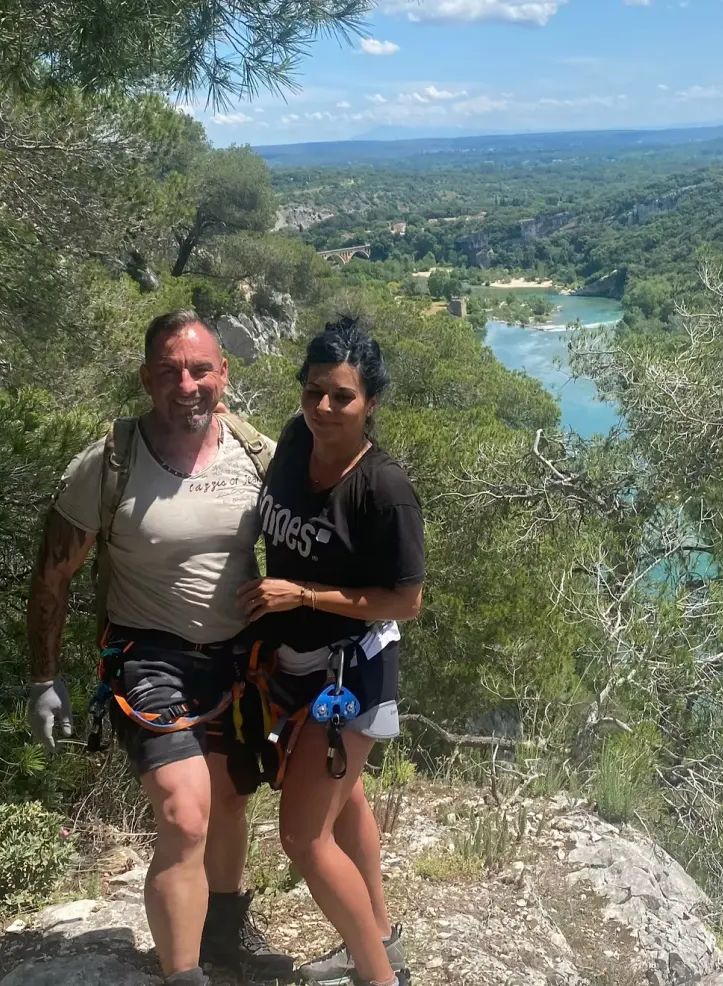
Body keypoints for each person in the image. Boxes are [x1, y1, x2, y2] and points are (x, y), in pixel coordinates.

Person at [24, 310, 293, 986]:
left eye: (201, 369)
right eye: (171, 371)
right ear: (147, 379)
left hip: (238, 662)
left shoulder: (255, 453)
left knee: (230, 799)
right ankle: (183, 974)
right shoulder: (111, 461)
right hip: (146, 656)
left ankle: (225, 940)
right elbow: (53, 573)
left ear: (223, 374)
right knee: (184, 808)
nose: (187, 384)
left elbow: (314, 541)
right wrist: (42, 679)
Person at [236, 317, 424, 986]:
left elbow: (405, 600)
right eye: (313, 391)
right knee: (348, 805)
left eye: (340, 396)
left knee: (303, 839)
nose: (322, 408)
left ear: (370, 401)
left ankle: (380, 979)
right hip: (292, 665)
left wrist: (305, 595)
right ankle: (378, 936)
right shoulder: (293, 442)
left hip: (354, 671)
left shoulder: (383, 489)